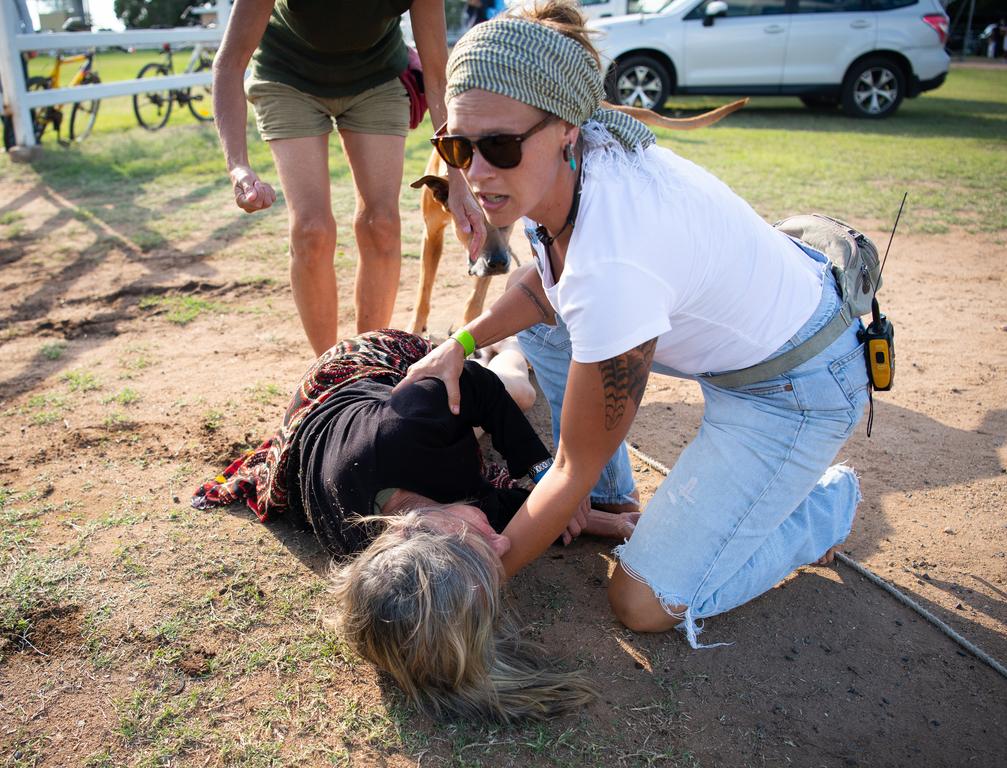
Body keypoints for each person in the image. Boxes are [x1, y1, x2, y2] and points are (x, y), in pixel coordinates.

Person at [399, 1, 871, 648]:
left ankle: (825, 507)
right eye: (457, 146)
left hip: (795, 390)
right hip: (753, 348)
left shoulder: (615, 254)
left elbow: (570, 466)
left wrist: (475, 585)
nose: (476, 173)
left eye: (500, 146)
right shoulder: (566, 169)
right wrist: (461, 344)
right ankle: (620, 502)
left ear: (565, 127)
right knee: (537, 319)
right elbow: (544, 284)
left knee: (642, 601)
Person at [193, 329, 633, 720]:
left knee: (515, 392)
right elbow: (513, 512)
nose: (503, 544)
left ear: (407, 527)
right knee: (490, 476)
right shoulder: (420, 538)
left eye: (483, 543)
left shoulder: (406, 425)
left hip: (362, 372)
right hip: (380, 460)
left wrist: (541, 470)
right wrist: (608, 525)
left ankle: (512, 346)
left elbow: (478, 391)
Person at [211, 0, 484, 355]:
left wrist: (458, 180)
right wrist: (238, 165)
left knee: (382, 222)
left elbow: (436, 77)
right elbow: (229, 63)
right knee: (312, 229)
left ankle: (365, 366)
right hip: (288, 76)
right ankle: (327, 372)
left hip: (377, 77)